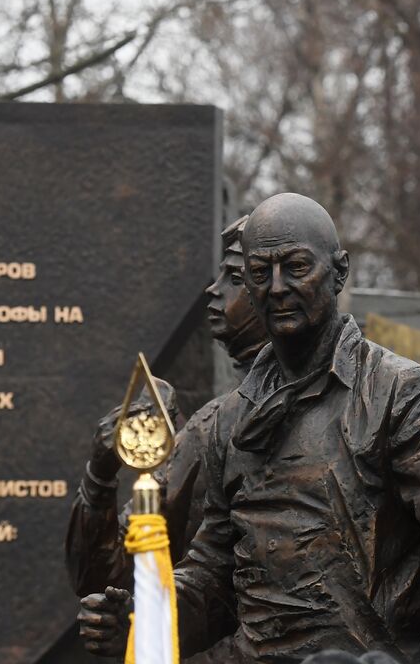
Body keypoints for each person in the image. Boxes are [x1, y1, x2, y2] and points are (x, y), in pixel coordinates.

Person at [170, 192, 420, 663]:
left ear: (339, 272)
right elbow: (212, 569)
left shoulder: (399, 394)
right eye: (260, 274)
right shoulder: (230, 418)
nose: (277, 287)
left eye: (296, 268)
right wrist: (148, 612)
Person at [68, 216, 269, 655]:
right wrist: (100, 475)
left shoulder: (370, 399)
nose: (213, 290)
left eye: (233, 277)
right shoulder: (205, 431)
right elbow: (102, 580)